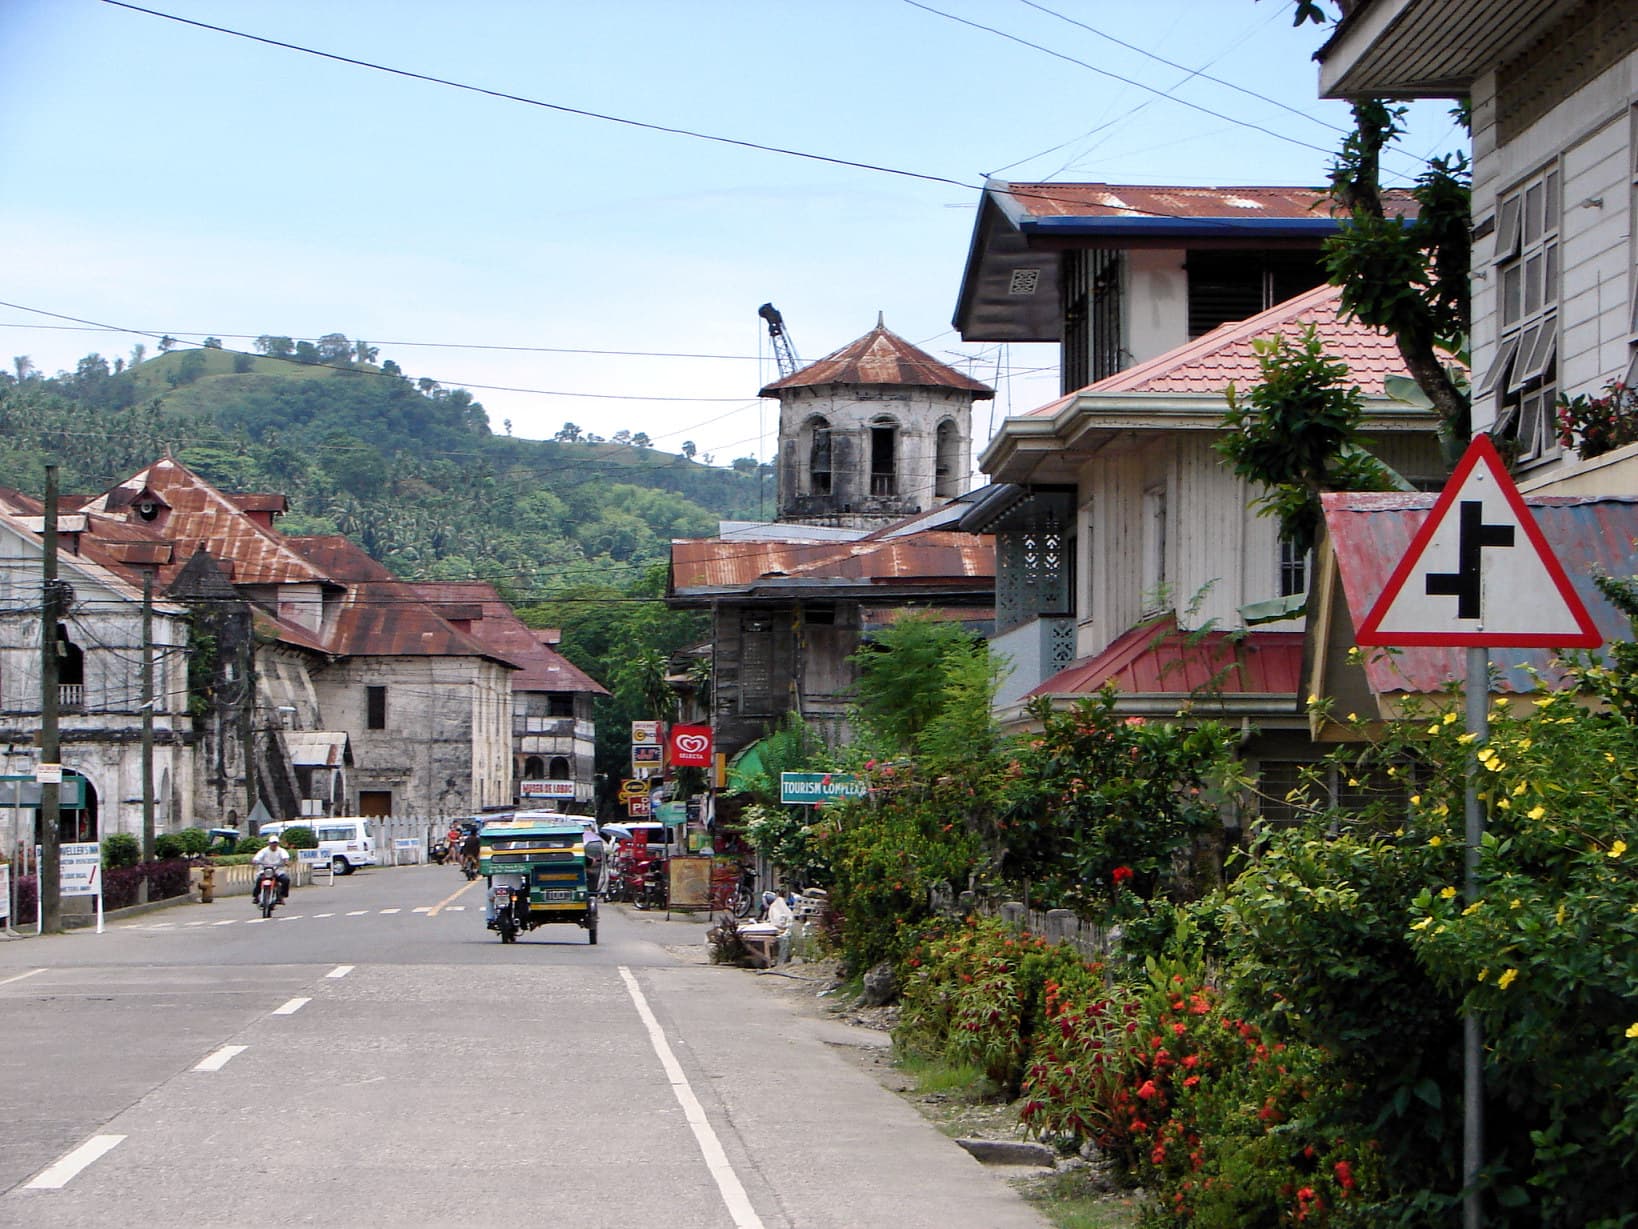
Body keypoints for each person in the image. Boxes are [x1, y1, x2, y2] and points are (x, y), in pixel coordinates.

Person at [252, 834, 291, 902]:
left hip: (278, 871)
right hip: (265, 871)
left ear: (278, 843)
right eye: (272, 843)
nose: (274, 845)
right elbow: (257, 857)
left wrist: (286, 862)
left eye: (275, 843)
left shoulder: (281, 851)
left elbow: (285, 858)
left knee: (286, 880)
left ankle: (281, 896)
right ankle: (256, 896)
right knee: (259, 880)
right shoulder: (264, 851)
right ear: (269, 843)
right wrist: (255, 861)